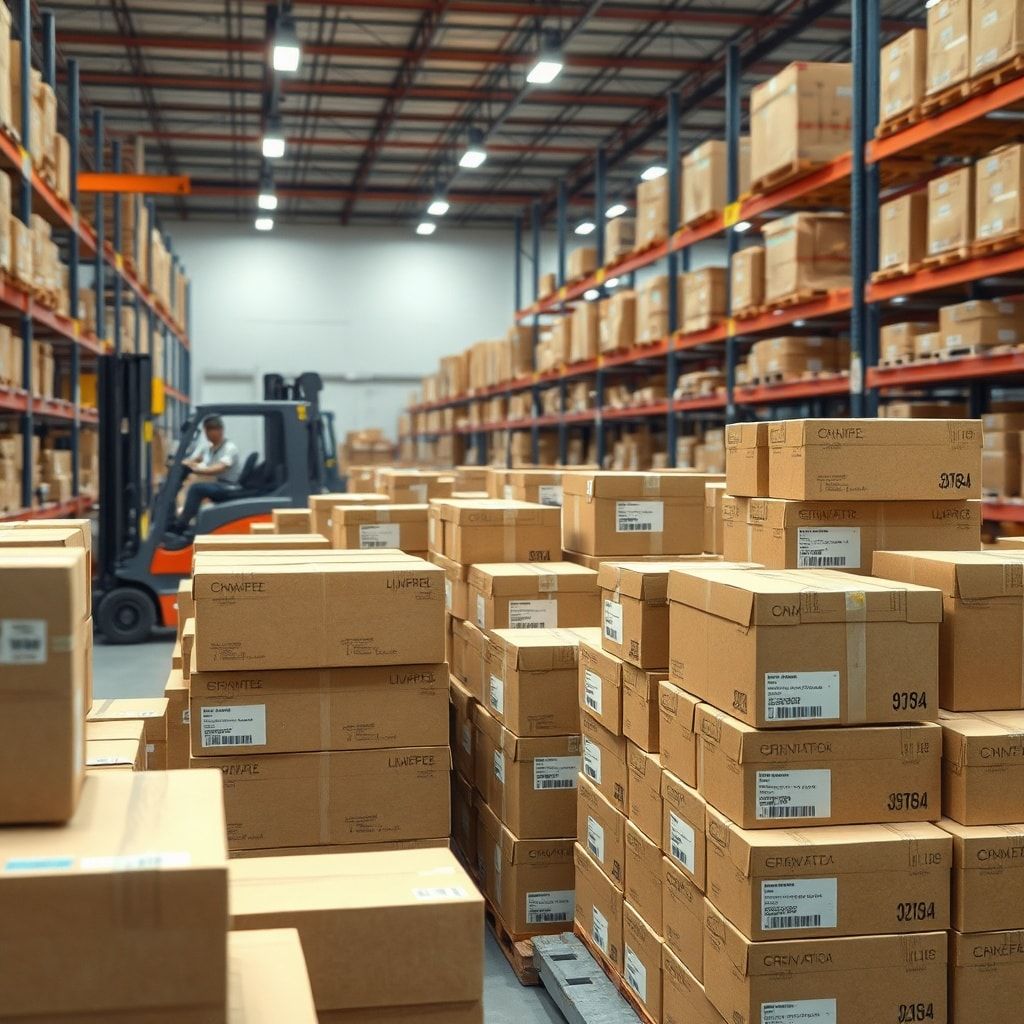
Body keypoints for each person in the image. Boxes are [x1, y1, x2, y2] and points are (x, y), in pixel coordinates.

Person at [169, 415, 241, 534]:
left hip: (229, 486)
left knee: (197, 489)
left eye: (210, 429)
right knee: (197, 487)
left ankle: (181, 525)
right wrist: (177, 463)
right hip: (219, 484)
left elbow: (219, 468)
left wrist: (195, 470)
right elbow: (194, 460)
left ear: (220, 430)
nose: (207, 433)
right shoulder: (210, 448)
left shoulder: (229, 448)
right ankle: (189, 523)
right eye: (206, 430)